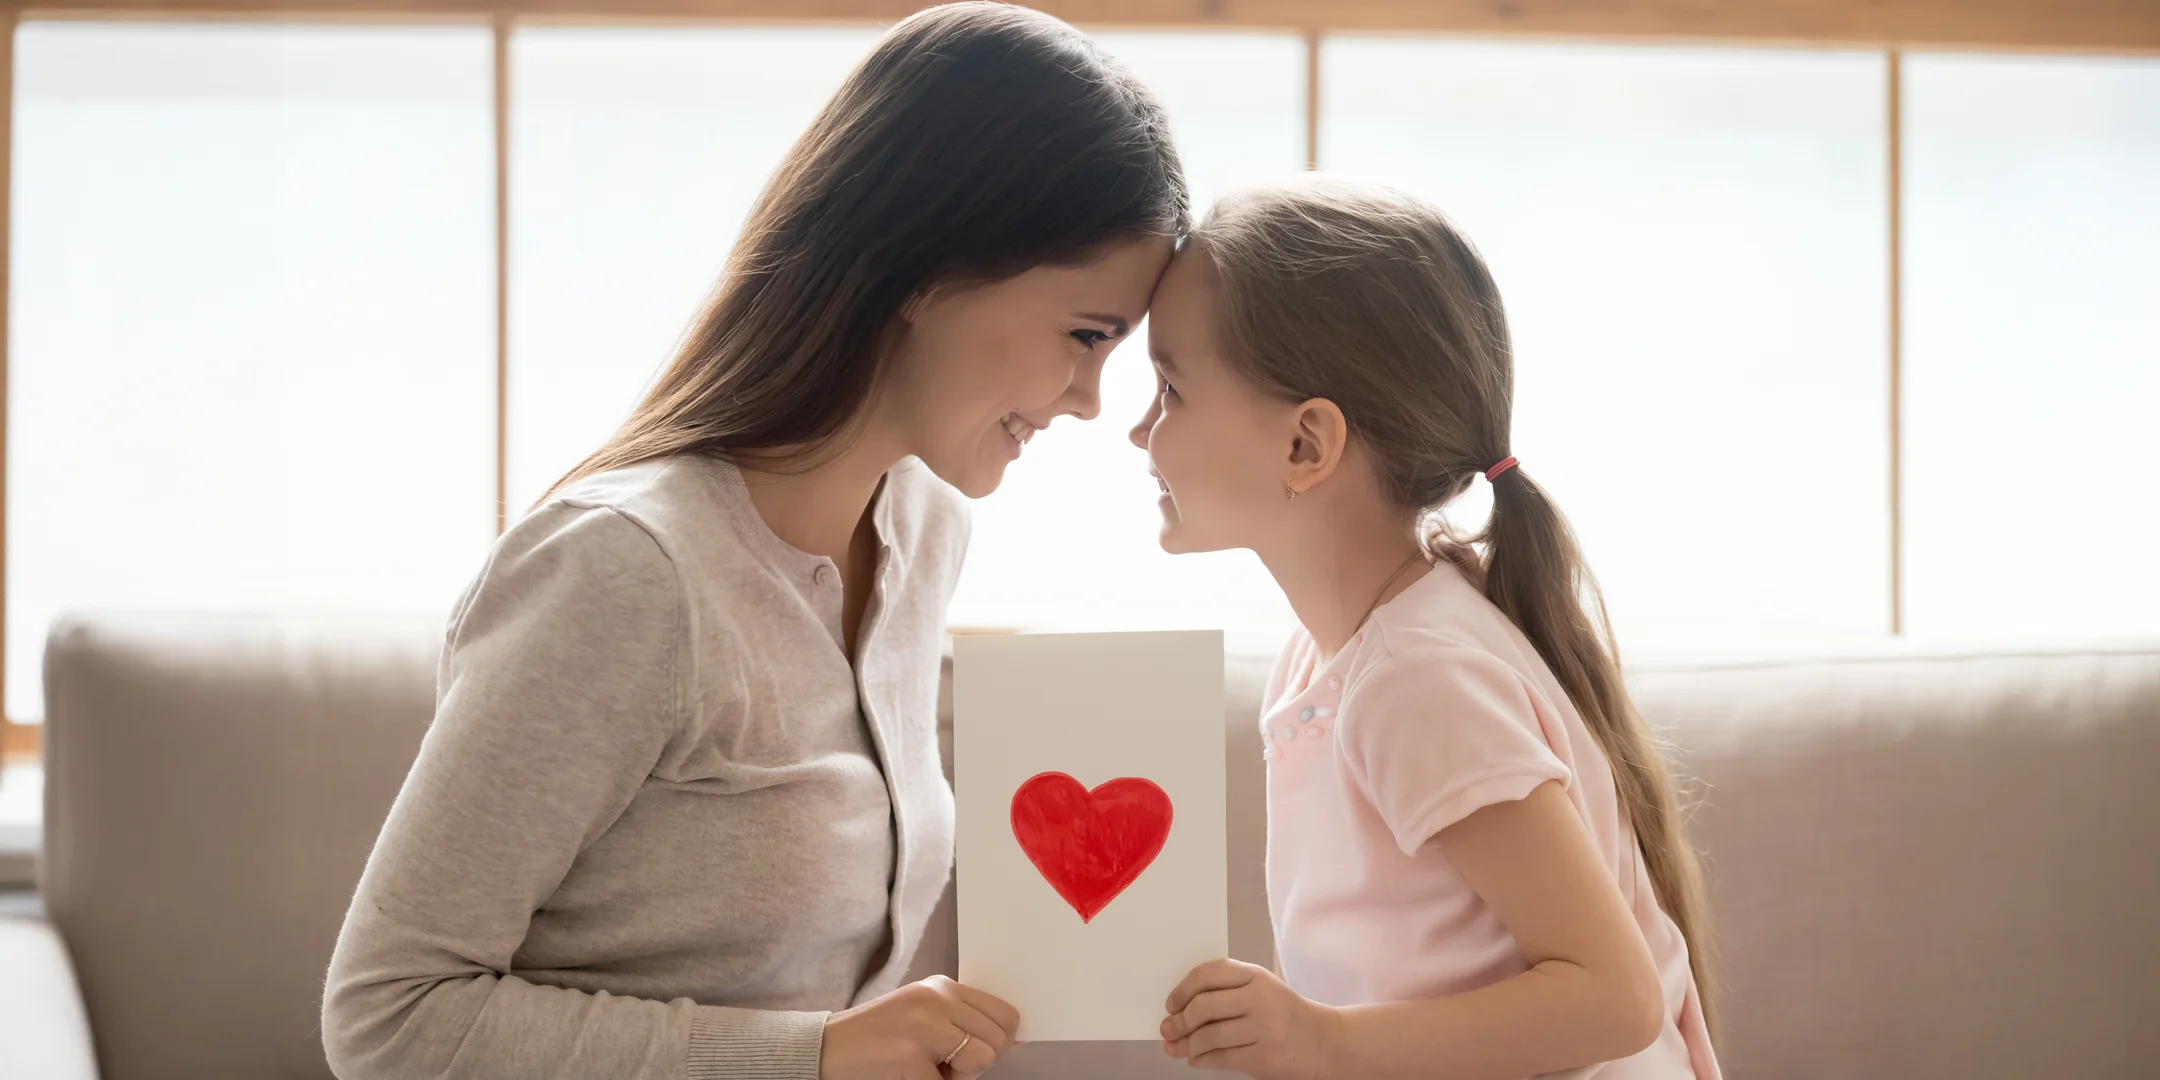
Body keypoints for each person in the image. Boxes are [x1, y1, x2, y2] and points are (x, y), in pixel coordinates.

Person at [321, 6, 1184, 1079]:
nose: (1093, 400)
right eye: (1085, 336)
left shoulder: (923, 530)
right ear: (927, 268)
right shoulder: (627, 573)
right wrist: (809, 1057)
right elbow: (391, 1016)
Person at [1134, 177, 1720, 1079]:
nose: (1140, 432)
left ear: (1306, 446)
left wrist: (1319, 1040)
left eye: (1170, 389)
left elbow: (1616, 996)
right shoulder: (1343, 653)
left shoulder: (1415, 677)